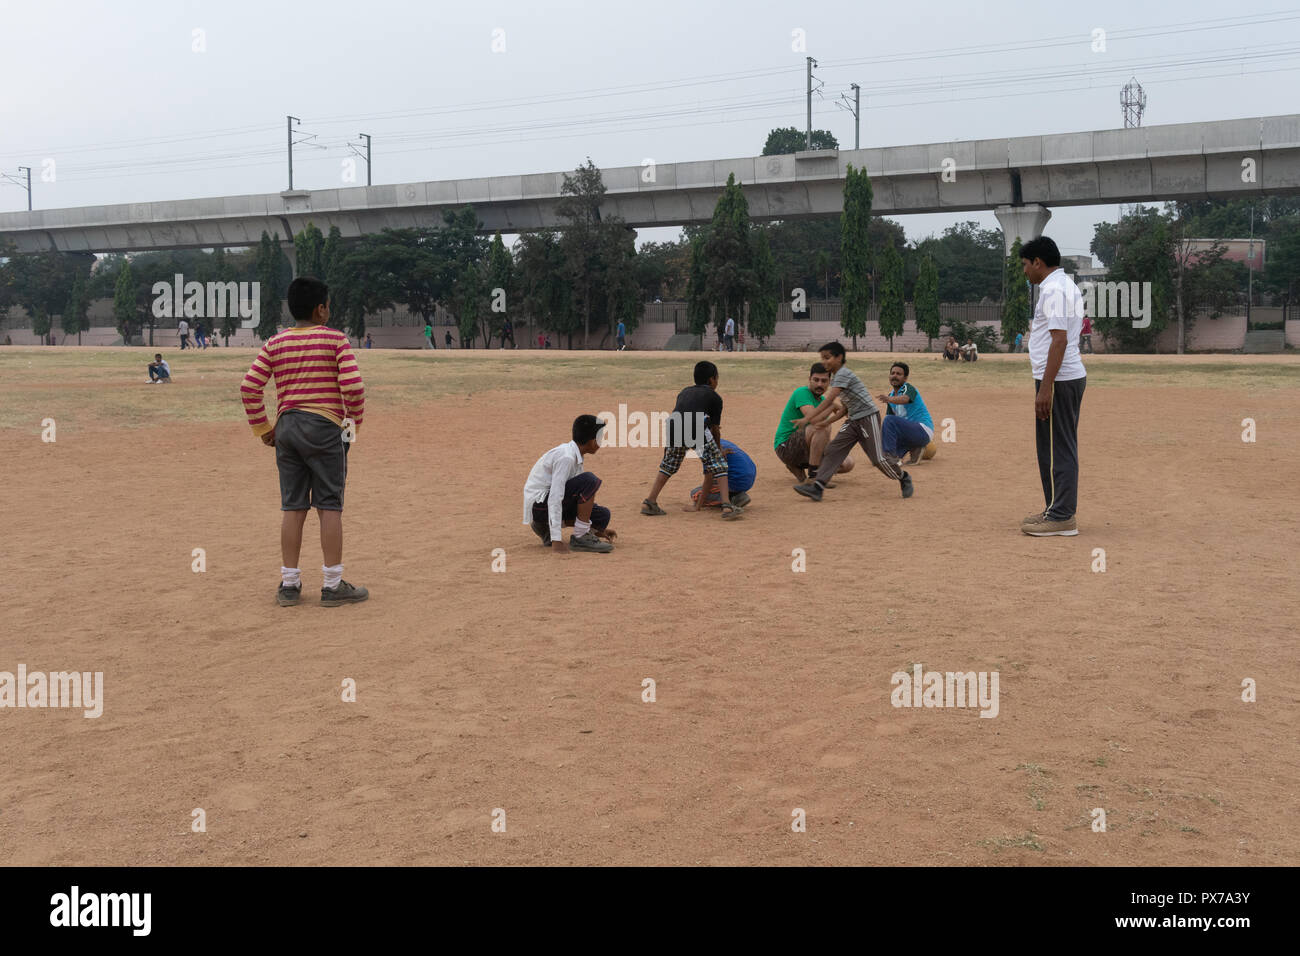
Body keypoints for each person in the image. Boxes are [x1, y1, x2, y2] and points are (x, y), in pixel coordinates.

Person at [241, 276, 368, 607]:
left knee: (293, 505)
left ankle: (289, 584)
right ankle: (332, 585)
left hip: (286, 428)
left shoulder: (274, 343)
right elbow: (353, 387)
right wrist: (351, 426)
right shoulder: (335, 340)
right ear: (321, 310)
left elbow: (249, 386)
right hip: (324, 427)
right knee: (329, 505)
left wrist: (264, 428)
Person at [1020, 235, 1086, 537]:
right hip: (1059, 377)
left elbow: (1059, 340)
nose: (1024, 272)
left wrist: (1046, 388)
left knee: (1059, 448)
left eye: (1025, 265)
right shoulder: (1060, 285)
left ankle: (1062, 516)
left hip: (1059, 379)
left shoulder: (1055, 290)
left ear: (1038, 262)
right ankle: (1054, 510)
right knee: (1052, 448)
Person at [792, 342, 913, 501]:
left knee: (878, 459)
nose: (824, 362)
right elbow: (845, 409)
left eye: (827, 358)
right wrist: (827, 423)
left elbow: (829, 400)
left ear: (839, 358)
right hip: (854, 420)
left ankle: (903, 477)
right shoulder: (836, 379)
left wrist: (807, 418)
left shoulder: (843, 374)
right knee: (833, 449)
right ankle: (818, 487)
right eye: (823, 358)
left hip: (867, 417)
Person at [640, 360, 743, 520]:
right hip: (696, 426)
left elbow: (676, 416)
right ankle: (727, 507)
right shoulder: (715, 397)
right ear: (711, 380)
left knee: (668, 466)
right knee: (720, 466)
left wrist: (668, 446)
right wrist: (718, 450)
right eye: (717, 378)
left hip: (675, 427)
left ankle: (650, 502)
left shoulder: (684, 392)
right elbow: (715, 429)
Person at [523, 415, 617, 553]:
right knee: (589, 480)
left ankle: (546, 528)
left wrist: (597, 529)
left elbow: (578, 499)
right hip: (539, 508)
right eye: (600, 438)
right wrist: (557, 541)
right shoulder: (566, 457)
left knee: (602, 516)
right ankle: (580, 537)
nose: (601, 442)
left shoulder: (576, 455)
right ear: (591, 441)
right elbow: (556, 497)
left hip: (546, 508)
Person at [773, 362, 853, 482]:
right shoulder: (801, 392)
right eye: (816, 380)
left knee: (847, 463)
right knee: (821, 427)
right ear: (809, 379)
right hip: (786, 446)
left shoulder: (823, 401)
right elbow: (814, 420)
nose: (819, 384)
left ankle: (798, 467)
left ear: (829, 382)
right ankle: (814, 476)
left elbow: (846, 417)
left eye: (824, 381)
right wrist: (832, 407)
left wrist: (846, 408)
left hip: (806, 449)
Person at [876, 362, 935, 465]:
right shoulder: (891, 396)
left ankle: (891, 457)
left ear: (905, 378)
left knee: (889, 420)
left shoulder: (908, 388)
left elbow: (905, 399)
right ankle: (916, 448)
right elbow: (890, 426)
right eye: (893, 373)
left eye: (899, 374)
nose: (895, 376)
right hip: (909, 434)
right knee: (881, 456)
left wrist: (889, 399)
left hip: (923, 429)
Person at [690, 439, 755, 510]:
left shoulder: (706, 450)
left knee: (695, 493)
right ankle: (735, 494)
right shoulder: (719, 441)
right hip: (749, 476)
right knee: (715, 478)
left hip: (737, 480)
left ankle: (733, 498)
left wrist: (698, 506)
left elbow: (708, 480)